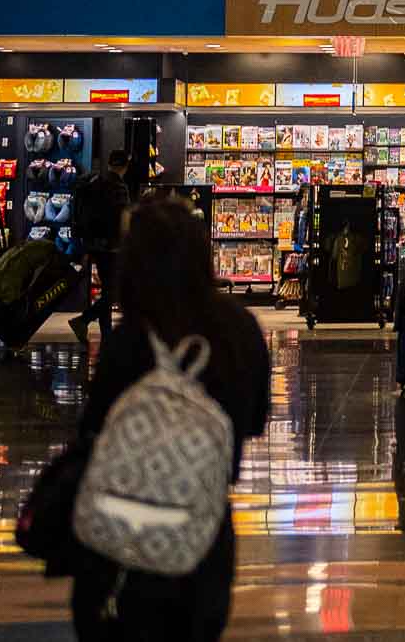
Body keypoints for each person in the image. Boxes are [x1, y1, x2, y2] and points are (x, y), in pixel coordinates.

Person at [69, 193, 270, 640]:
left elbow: (94, 428)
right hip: (203, 531)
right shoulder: (240, 330)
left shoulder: (130, 339)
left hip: (122, 539)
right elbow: (255, 421)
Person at [68, 148, 131, 342]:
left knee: (107, 288)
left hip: (93, 243)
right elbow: (119, 218)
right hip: (110, 246)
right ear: (124, 166)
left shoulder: (95, 181)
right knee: (113, 291)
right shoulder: (118, 186)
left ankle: (107, 334)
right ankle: (83, 320)